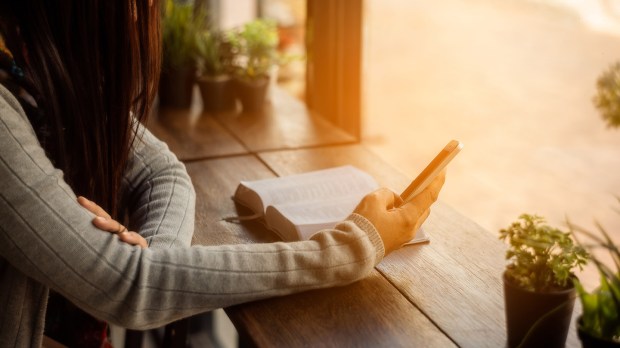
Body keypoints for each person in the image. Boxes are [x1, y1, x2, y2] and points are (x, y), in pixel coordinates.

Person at [0, 1, 445, 347]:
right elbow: (129, 286)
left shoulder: (30, 63)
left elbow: (161, 172)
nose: (141, 19)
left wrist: (154, 262)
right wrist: (354, 247)